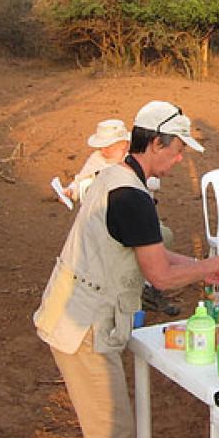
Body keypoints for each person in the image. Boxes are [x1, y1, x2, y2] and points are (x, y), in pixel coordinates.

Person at [33, 101, 219, 438]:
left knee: (114, 428)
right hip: (82, 325)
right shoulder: (131, 197)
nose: (180, 159)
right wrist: (213, 267)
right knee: (109, 433)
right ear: (154, 143)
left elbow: (154, 251)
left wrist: (198, 266)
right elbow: (161, 276)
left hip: (82, 313)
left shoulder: (118, 177)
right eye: (177, 150)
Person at [66, 119, 179, 317]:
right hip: (106, 226)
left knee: (161, 239)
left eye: (111, 146)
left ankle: (147, 288)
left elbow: (152, 182)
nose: (106, 150)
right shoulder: (97, 162)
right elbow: (79, 182)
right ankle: (142, 290)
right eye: (104, 147)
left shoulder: (133, 162)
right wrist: (70, 191)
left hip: (140, 221)